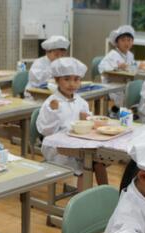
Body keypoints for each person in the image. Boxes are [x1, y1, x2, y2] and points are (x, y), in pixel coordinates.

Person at [37, 57, 108, 191]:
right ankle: (83, 200)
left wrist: (87, 119)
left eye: (76, 79)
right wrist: (53, 111)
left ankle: (106, 194)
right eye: (67, 79)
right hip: (58, 149)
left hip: (77, 144)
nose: (72, 84)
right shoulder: (52, 103)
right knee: (85, 168)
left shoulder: (81, 102)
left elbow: (87, 124)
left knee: (99, 163)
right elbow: (45, 131)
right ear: (57, 80)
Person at [98, 25, 137, 109]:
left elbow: (132, 66)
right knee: (122, 97)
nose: (126, 43)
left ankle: (127, 111)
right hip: (113, 86)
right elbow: (101, 68)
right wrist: (117, 67)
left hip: (125, 85)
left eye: (129, 40)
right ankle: (115, 112)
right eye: (123, 40)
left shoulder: (130, 55)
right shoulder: (112, 55)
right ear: (117, 43)